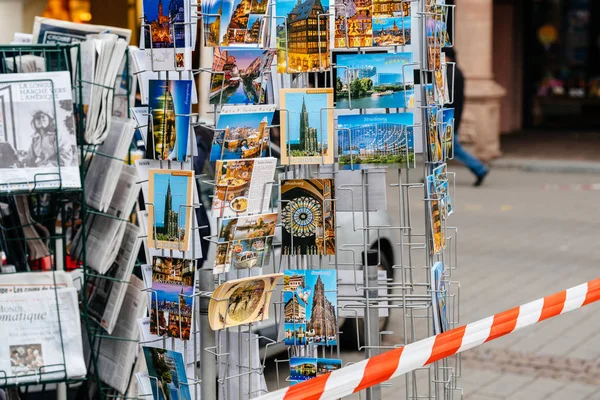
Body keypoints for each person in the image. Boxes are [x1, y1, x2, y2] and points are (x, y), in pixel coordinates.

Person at [444, 48, 489, 186]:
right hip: (451, 115)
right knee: (443, 148)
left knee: (452, 147)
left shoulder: (451, 72)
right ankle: (434, 175)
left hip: (448, 116)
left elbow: (448, 98)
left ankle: (479, 168)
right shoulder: (454, 71)